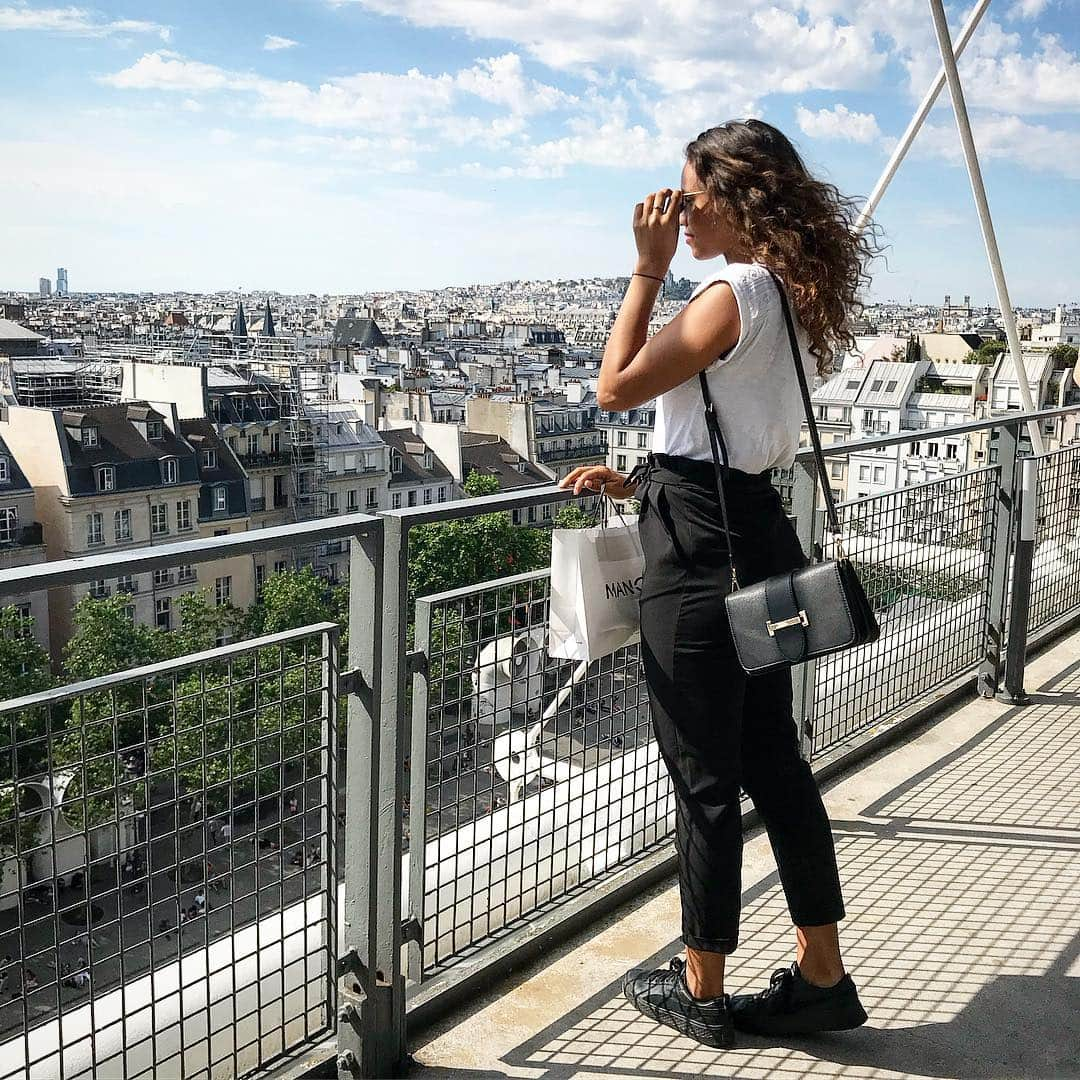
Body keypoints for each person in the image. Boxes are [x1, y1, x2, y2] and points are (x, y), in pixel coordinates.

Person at [558, 119, 884, 1049]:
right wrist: (647, 479)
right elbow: (729, 436)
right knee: (775, 762)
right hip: (752, 530)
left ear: (737, 198)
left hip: (698, 558)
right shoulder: (789, 290)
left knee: (702, 778)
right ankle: (821, 973)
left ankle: (701, 988)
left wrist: (648, 266)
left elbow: (613, 388)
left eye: (692, 197)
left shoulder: (727, 290)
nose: (679, 212)